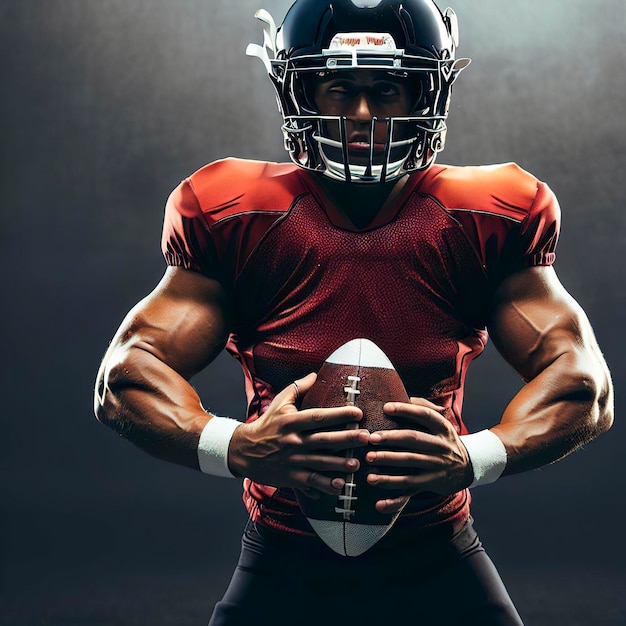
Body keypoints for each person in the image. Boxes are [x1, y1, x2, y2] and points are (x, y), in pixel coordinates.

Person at [94, 1, 614, 624]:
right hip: (282, 554)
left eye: (388, 88)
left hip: (436, 550)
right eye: (339, 86)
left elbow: (584, 387)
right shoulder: (235, 212)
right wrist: (236, 445)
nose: (362, 114)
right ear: (297, 88)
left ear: (430, 92)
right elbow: (124, 377)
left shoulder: (487, 216)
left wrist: (471, 459)